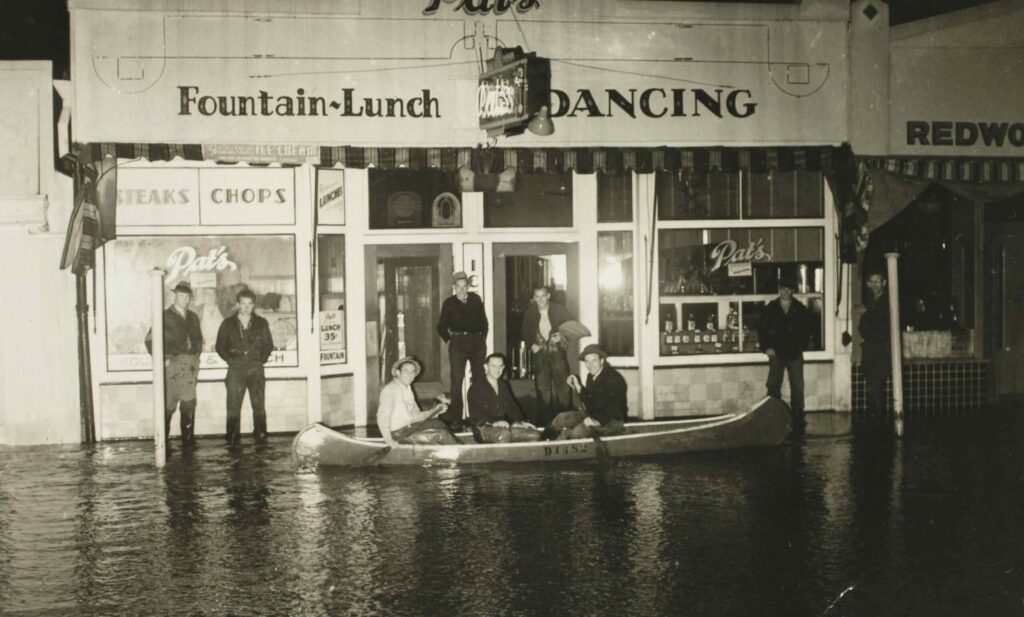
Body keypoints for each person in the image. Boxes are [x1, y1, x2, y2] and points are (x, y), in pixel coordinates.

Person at [145, 281, 203, 447]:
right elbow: (150, 341)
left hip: (189, 367)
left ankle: (188, 443)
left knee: (189, 404)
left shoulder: (192, 317)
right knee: (168, 405)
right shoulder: (164, 317)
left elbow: (198, 340)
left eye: (188, 297)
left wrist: (196, 356)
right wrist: (162, 358)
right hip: (172, 367)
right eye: (182, 296)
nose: (185, 299)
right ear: (175, 296)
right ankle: (163, 445)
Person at [215, 289, 275, 444]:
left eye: (250, 304)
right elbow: (220, 346)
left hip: (256, 370)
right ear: (237, 305)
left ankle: (261, 438)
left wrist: (259, 360)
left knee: (258, 406)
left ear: (253, 305)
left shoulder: (261, 323)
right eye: (243, 304)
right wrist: (231, 360)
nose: (247, 307)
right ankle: (232, 440)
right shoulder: (228, 324)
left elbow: (268, 345)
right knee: (233, 407)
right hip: (236, 370)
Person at [435, 271, 488, 432]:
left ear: (468, 287)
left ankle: (477, 417)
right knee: (457, 380)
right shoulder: (449, 303)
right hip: (458, 343)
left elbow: (484, 323)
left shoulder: (475, 299)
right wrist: (451, 340)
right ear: (454, 287)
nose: (462, 290)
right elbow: (440, 327)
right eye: (458, 287)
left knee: (478, 379)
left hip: (477, 343)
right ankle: (456, 418)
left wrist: (481, 340)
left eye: (464, 287)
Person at [757, 277, 812, 428]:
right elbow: (762, 331)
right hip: (777, 353)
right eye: (783, 289)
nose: (785, 292)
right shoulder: (770, 309)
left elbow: (807, 331)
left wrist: (801, 346)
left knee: (798, 385)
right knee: (774, 384)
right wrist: (767, 347)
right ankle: (772, 412)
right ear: (779, 290)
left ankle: (798, 416)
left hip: (794, 353)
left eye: (788, 289)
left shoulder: (800, 309)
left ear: (793, 291)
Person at [520, 285, 573, 427]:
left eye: (543, 296)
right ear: (533, 298)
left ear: (548, 296)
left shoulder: (559, 309)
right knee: (543, 388)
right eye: (537, 296)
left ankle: (565, 422)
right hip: (540, 354)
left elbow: (571, 327)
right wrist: (532, 344)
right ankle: (546, 423)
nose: (540, 299)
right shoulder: (529, 312)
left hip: (557, 352)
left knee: (563, 387)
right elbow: (524, 331)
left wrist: (561, 336)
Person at [549, 344, 628, 440]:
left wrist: (597, 421)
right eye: (587, 361)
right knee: (561, 418)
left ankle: (564, 440)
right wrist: (578, 386)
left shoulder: (614, 379)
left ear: (602, 361)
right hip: (592, 415)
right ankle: (543, 440)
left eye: (594, 360)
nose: (590, 365)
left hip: (611, 421)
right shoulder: (590, 377)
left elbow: (614, 408)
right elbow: (590, 401)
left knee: (577, 432)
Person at [377, 357, 458, 447]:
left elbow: (417, 415)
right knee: (441, 434)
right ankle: (460, 452)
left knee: (439, 423)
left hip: (409, 427)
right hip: (398, 434)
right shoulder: (390, 389)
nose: (410, 375)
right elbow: (383, 417)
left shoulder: (408, 389)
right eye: (406, 371)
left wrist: (436, 410)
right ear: (398, 372)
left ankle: (453, 444)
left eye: (413, 372)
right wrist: (389, 441)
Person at [468, 353, 541, 443]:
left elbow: (512, 407)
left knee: (534, 435)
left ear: (503, 368)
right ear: (486, 367)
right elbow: (475, 414)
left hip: (504, 428)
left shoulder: (503, 386)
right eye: (494, 366)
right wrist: (494, 423)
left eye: (500, 366)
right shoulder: (476, 388)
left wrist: (521, 422)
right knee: (504, 435)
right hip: (484, 428)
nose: (497, 370)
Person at [859, 272, 892, 416]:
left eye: (878, 281)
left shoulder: (887, 301)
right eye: (872, 281)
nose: (875, 284)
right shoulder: (872, 301)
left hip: (880, 351)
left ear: (884, 283)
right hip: (870, 350)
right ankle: (876, 419)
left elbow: (882, 325)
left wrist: (867, 313)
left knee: (875, 386)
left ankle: (878, 421)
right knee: (872, 386)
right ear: (867, 284)